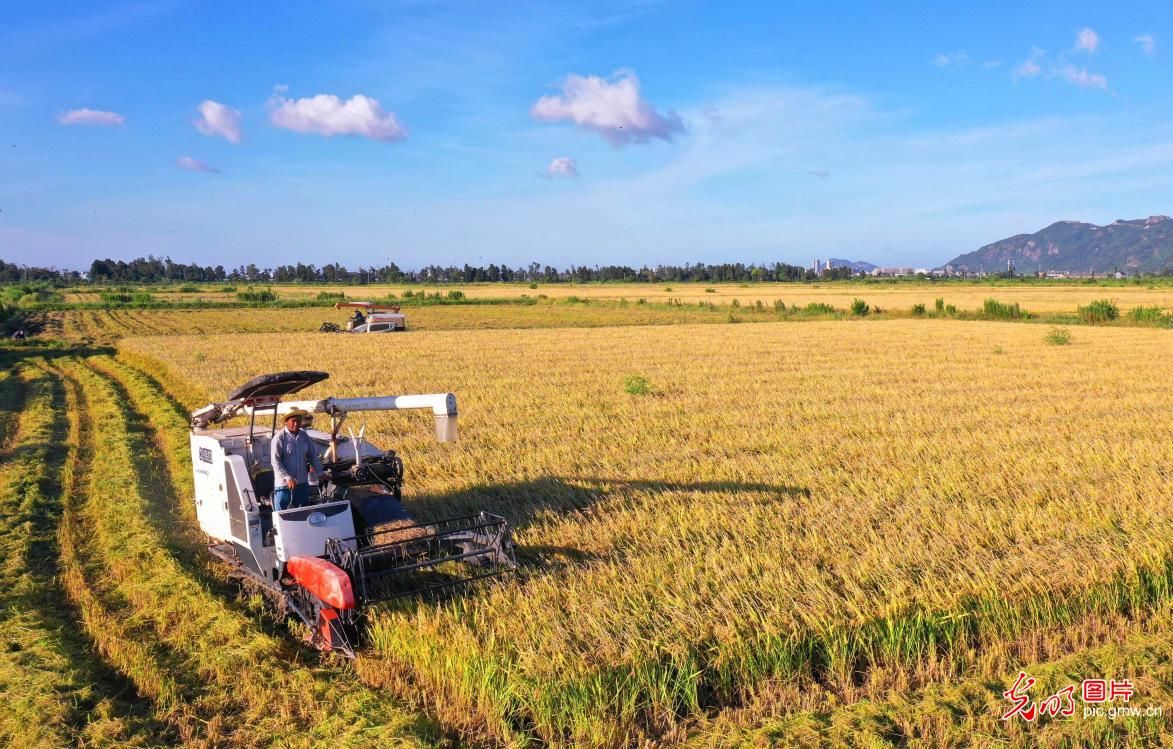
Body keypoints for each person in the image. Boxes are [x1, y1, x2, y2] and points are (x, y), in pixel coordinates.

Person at [270, 409, 323, 511]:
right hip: (284, 486)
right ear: (286, 421)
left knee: (304, 514)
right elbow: (275, 462)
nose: (296, 423)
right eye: (293, 421)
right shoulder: (279, 438)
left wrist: (320, 472)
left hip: (302, 484)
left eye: (298, 421)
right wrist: (288, 477)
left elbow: (312, 456)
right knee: (283, 517)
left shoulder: (304, 436)